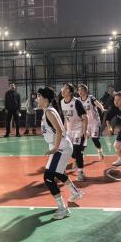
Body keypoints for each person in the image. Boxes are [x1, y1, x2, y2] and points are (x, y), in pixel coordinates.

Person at [36, 87, 82, 220]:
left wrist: (55, 148)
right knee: (58, 172)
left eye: (39, 96)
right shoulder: (48, 111)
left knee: (48, 177)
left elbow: (60, 131)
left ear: (45, 99)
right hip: (61, 146)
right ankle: (75, 192)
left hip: (61, 148)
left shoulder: (49, 112)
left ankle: (62, 209)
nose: (37, 99)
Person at [60, 83, 88, 181]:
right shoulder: (62, 102)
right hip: (69, 131)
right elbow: (65, 117)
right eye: (62, 89)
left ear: (71, 92)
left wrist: (84, 131)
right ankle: (76, 160)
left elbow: (85, 117)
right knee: (68, 151)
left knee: (76, 150)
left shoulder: (76, 102)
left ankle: (81, 172)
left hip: (78, 130)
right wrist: (63, 130)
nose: (63, 90)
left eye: (66, 89)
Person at [78, 84, 105, 160]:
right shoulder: (78, 100)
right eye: (79, 90)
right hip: (85, 123)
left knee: (94, 139)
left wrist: (102, 109)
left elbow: (98, 104)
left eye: (81, 90)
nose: (80, 92)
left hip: (94, 122)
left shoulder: (91, 98)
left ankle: (100, 151)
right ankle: (81, 155)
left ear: (86, 91)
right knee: (83, 138)